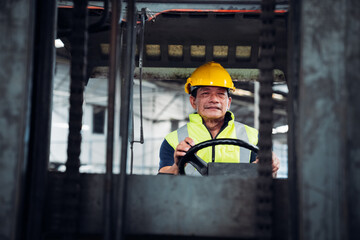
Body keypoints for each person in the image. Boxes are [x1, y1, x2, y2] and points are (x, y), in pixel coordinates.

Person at [158, 61, 280, 175]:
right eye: (206, 93)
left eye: (220, 94)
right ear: (193, 101)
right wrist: (176, 166)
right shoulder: (173, 140)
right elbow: (162, 182)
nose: (214, 100)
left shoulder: (253, 137)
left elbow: (266, 179)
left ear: (228, 102)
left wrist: (271, 167)